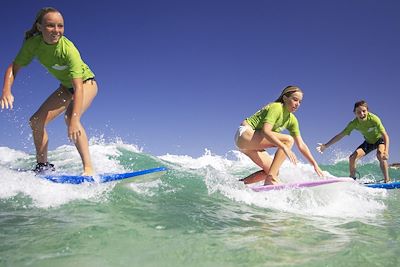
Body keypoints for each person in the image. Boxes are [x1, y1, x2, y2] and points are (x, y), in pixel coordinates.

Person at [0, 7, 97, 175]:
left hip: (86, 84)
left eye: (60, 26)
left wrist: (74, 120)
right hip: (66, 88)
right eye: (51, 25)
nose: (56, 30)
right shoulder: (33, 44)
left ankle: (88, 168)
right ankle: (43, 165)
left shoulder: (68, 49)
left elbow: (78, 86)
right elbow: (14, 67)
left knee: (70, 117)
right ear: (39, 27)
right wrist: (6, 90)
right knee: (36, 121)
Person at [235, 86, 324, 185]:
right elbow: (266, 131)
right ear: (285, 98)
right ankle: (271, 179)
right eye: (295, 100)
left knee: (273, 170)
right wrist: (284, 147)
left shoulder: (292, 120)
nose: (297, 104)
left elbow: (301, 145)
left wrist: (314, 164)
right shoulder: (277, 107)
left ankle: (238, 185)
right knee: (288, 140)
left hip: (249, 145)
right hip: (245, 134)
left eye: (300, 102)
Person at [317, 100, 391, 183]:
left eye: (364, 111)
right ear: (355, 113)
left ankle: (387, 180)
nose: (362, 114)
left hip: (379, 140)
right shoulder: (354, 123)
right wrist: (326, 145)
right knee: (352, 158)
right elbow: (340, 135)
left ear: (367, 110)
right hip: (368, 142)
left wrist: (386, 151)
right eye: (358, 112)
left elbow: (385, 136)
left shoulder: (374, 119)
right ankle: (353, 179)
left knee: (380, 155)